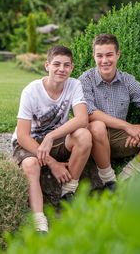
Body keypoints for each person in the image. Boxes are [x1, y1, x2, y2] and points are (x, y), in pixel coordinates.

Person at [78, 34, 140, 190]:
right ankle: (109, 181)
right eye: (100, 56)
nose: (104, 61)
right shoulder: (85, 80)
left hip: (121, 139)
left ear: (118, 54)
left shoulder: (127, 80)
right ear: (94, 56)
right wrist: (127, 126)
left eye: (109, 55)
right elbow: (88, 112)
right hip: (93, 140)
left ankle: (129, 174)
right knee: (97, 126)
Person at [12, 45, 91, 233]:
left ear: (72, 68)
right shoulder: (31, 91)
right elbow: (22, 136)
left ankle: (67, 192)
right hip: (28, 142)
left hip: (53, 140)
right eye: (56, 64)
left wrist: (51, 136)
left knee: (84, 136)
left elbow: (82, 119)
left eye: (66, 65)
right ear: (47, 65)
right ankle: (40, 223)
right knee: (31, 165)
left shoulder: (74, 84)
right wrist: (53, 164)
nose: (61, 69)